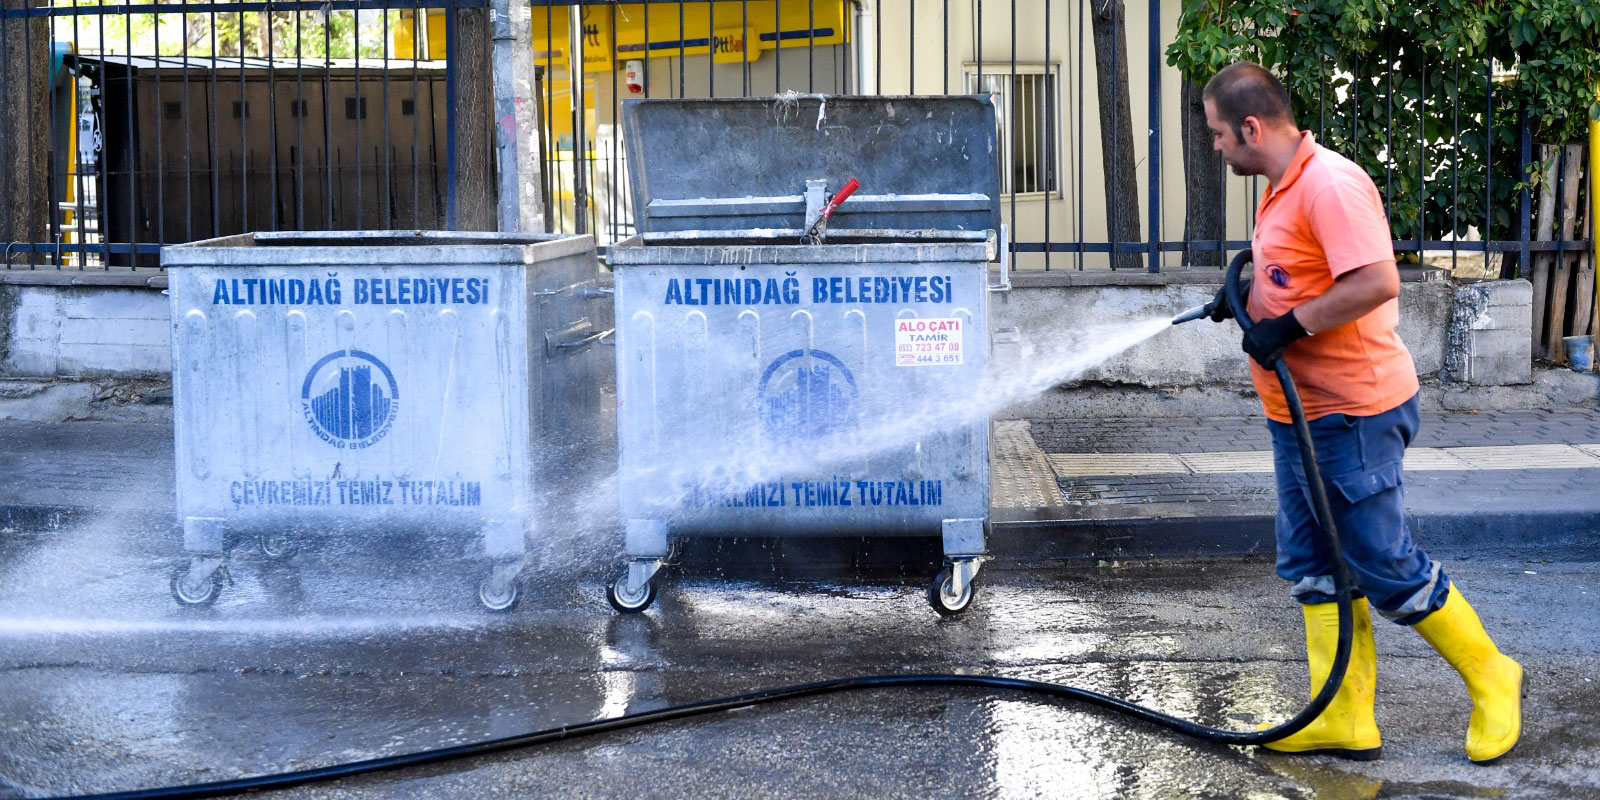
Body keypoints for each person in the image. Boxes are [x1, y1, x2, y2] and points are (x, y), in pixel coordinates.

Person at [1199, 61, 1523, 764]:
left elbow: (1375, 279)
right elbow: (1303, 271)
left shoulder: (1331, 184)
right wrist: (1252, 293)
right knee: (1313, 565)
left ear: (1252, 127)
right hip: (1298, 415)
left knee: (1381, 562)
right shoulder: (1284, 187)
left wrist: (1287, 327)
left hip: (1354, 413)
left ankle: (1495, 677)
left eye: (1219, 134)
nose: (1217, 147)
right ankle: (1346, 717)